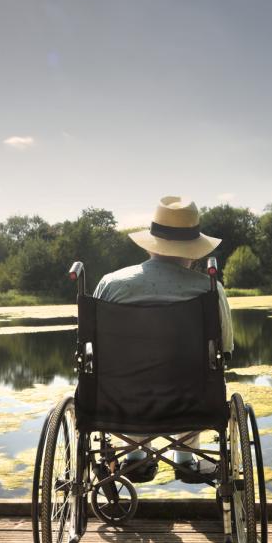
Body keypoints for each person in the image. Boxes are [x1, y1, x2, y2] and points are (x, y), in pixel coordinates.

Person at [93, 195, 234, 483]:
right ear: (194, 249)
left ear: (153, 242)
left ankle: (134, 456)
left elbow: (91, 351)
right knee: (201, 371)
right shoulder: (209, 289)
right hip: (191, 401)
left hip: (122, 400)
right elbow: (226, 349)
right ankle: (184, 457)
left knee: (127, 375)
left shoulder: (110, 284)